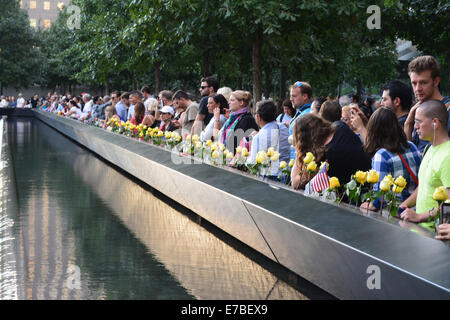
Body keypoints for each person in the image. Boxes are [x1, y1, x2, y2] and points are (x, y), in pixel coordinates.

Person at [360, 108, 422, 212]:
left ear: (374, 131)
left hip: (394, 212)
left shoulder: (381, 155)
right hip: (416, 208)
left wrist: (369, 205)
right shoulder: (411, 146)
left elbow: (381, 196)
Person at [400, 100, 450, 223]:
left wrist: (420, 217)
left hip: (434, 234)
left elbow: (448, 203)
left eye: (419, 122)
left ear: (435, 123)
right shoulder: (429, 148)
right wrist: (402, 207)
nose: (415, 126)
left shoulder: (448, 155)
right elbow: (424, 187)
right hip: (421, 231)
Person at [291, 113, 371, 190]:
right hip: (372, 181)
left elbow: (295, 183)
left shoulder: (322, 156)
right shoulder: (341, 126)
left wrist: (300, 150)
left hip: (355, 197)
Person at [404, 55, 450, 153]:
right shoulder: (417, 110)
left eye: (423, 83)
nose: (417, 89)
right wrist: (408, 123)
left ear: (436, 81)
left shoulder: (448, 110)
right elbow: (410, 155)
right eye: (414, 83)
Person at [247, 100, 290, 179]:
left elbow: (252, 164)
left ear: (258, 116)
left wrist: (246, 156)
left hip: (269, 176)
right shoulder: (284, 128)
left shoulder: (258, 137)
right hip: (286, 175)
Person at [288, 81, 313, 160]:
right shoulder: (301, 112)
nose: (291, 99)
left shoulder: (307, 114)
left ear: (305, 96)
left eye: (294, 96)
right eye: (291, 96)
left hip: (302, 161)